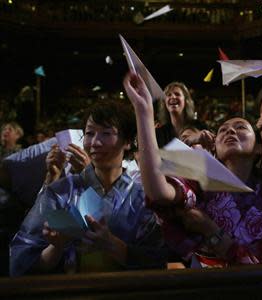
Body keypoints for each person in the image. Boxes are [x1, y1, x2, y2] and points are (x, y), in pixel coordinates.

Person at [123, 72, 262, 267]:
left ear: (258, 147)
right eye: (222, 129)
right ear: (215, 149)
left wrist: (210, 230)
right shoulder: (200, 180)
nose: (230, 130)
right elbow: (158, 192)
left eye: (240, 127)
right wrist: (144, 111)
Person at [10, 100, 167, 277]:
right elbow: (21, 261)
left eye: (106, 133)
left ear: (128, 142)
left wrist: (113, 245)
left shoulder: (142, 198)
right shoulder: (59, 193)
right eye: (89, 133)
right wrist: (56, 247)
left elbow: (158, 262)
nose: (95, 142)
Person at [156, 82, 196, 147]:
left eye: (177, 94)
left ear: (186, 101)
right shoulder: (159, 133)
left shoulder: (200, 127)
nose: (173, 97)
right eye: (168, 95)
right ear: (164, 103)